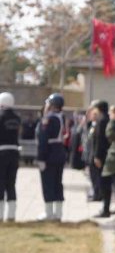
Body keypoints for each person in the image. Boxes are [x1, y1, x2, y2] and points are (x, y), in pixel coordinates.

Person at [36, 93, 67, 221]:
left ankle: (49, 213)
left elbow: (43, 139)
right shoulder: (61, 117)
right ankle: (58, 213)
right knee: (57, 183)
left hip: (49, 154)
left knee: (48, 183)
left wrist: (41, 158)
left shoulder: (49, 119)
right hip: (59, 152)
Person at [0, 92, 21, 222]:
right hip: (14, 152)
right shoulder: (17, 118)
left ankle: (0, 215)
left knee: (0, 183)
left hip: (1, 151)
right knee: (11, 183)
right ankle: (12, 215)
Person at [90, 100, 113, 217]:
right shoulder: (105, 120)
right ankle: (105, 207)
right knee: (105, 183)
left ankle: (106, 209)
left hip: (102, 157)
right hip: (105, 156)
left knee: (104, 183)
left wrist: (97, 156)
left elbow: (99, 141)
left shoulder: (102, 121)